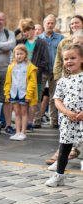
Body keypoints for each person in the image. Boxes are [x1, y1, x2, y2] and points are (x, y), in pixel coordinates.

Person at [45, 44, 83, 187]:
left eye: (73, 58)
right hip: (68, 120)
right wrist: (67, 112)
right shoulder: (62, 81)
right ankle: (59, 175)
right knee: (64, 149)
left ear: (81, 59)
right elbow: (57, 100)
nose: (69, 61)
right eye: (66, 58)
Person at [17, 18, 49, 132]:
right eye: (23, 31)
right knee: (22, 100)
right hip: (21, 76)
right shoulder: (21, 42)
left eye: (27, 30)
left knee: (34, 100)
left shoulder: (41, 43)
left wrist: (36, 71)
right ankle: (22, 122)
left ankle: (30, 122)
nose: (26, 33)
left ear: (33, 29)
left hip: (35, 75)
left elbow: (45, 60)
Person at [4, 44, 37, 141]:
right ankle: (17, 132)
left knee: (24, 113)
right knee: (16, 113)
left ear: (25, 55)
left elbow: (32, 82)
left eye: (21, 54)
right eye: (17, 54)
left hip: (24, 93)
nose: (19, 56)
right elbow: (8, 81)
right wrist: (7, 93)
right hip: (14, 92)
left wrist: (29, 94)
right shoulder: (11, 67)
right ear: (14, 55)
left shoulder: (29, 67)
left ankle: (23, 132)